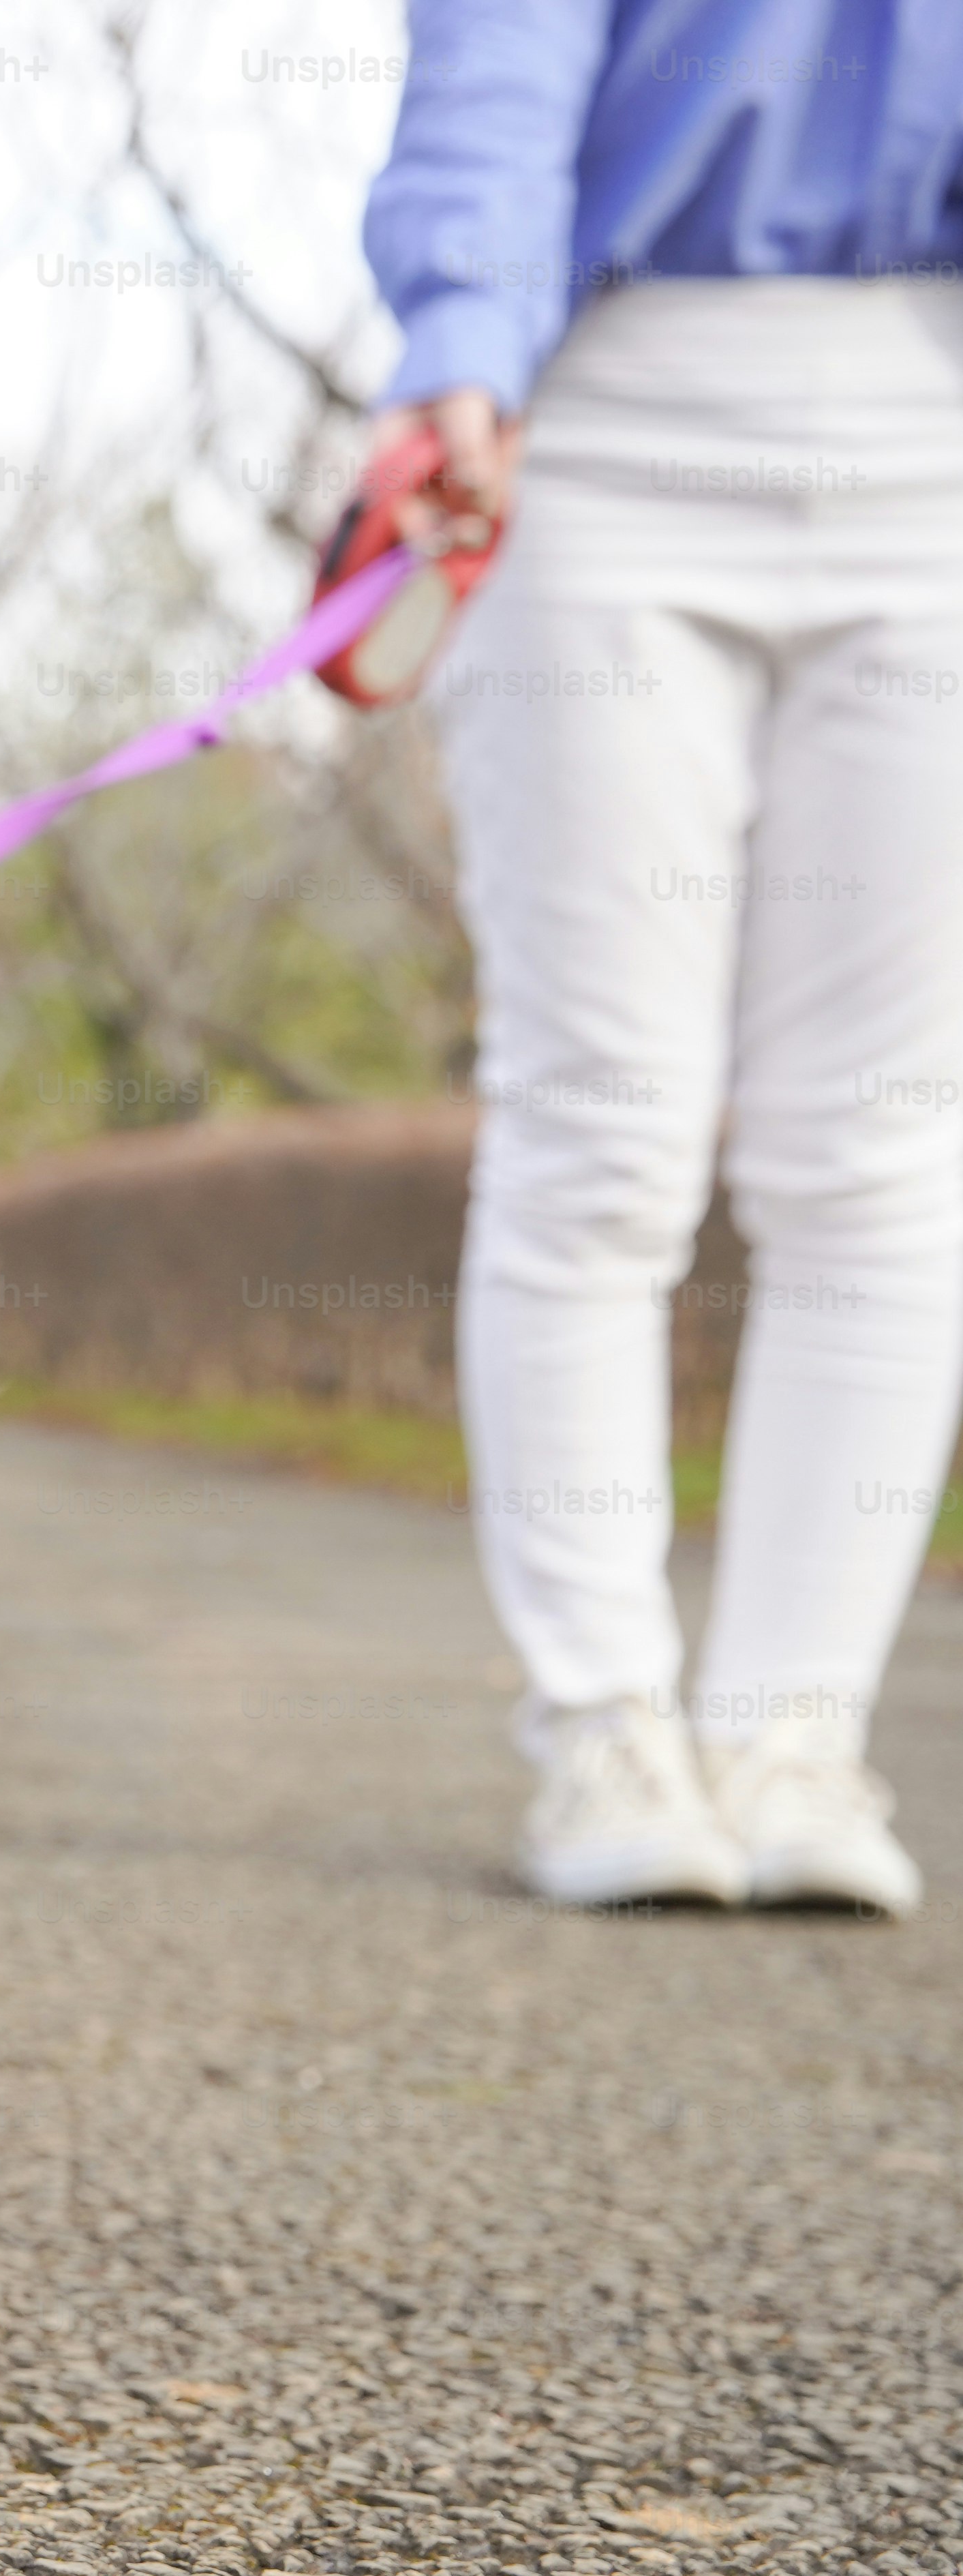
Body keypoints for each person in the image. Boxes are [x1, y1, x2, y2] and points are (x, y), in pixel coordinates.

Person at [365, 4, 963, 1913]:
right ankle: (604, 1728)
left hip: (935, 415)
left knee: (877, 1139)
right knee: (601, 1122)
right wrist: (460, 330)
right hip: (605, 414)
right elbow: (500, 55)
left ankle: (798, 1737)